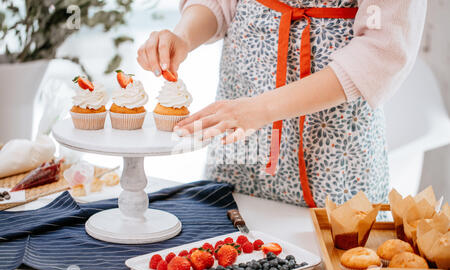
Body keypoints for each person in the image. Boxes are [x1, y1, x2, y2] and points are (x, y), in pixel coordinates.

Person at [137, 0, 427, 207]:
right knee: (228, 250)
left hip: (333, 146)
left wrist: (260, 110)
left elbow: (382, 52)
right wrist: (183, 36)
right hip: (240, 113)